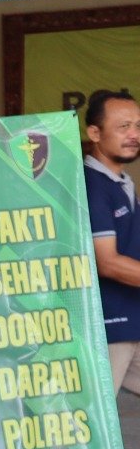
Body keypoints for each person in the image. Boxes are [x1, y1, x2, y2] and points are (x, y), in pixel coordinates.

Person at [83, 89, 140, 397]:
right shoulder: (93, 187)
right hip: (109, 328)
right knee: (91, 422)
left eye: (138, 126)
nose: (134, 135)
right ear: (94, 132)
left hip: (132, 321)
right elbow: (108, 262)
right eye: (123, 127)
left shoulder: (120, 183)